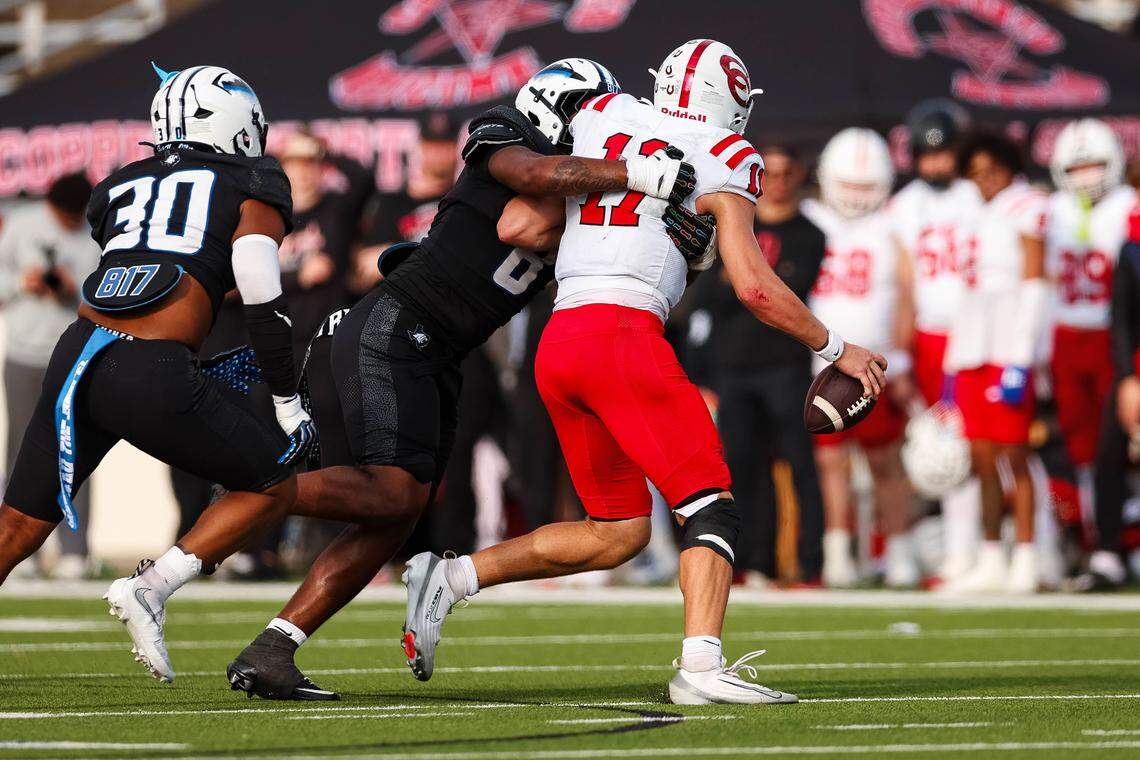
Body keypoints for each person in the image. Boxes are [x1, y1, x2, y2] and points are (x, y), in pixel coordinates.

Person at [404, 40, 887, 706]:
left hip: (559, 338)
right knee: (710, 500)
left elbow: (521, 221)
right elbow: (755, 288)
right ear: (731, 104)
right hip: (621, 337)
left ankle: (452, 579)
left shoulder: (604, 114)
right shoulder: (730, 156)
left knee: (619, 530)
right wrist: (838, 347)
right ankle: (701, 666)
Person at [225, 58, 708, 701]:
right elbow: (525, 214)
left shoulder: (579, 188)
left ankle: (273, 647)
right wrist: (638, 178)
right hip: (396, 329)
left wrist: (675, 241)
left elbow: (579, 235)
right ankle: (257, 491)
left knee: (397, 508)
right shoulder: (506, 136)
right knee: (388, 494)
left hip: (442, 346)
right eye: (595, 119)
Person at [0, 64, 315, 684]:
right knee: (274, 484)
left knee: (17, 523)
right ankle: (153, 586)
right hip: (149, 366)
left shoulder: (119, 185)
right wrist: (287, 399)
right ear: (234, 123)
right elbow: (257, 286)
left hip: (78, 353)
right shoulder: (255, 181)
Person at [683, 144, 826, 584]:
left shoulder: (811, 232)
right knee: (742, 467)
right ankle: (752, 562)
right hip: (734, 367)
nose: (778, 182)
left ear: (799, 176)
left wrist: (745, 281)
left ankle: (811, 564)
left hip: (784, 364)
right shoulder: (733, 222)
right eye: (772, 173)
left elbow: (787, 288)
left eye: (787, 173)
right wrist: (757, 283)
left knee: (801, 467)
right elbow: (711, 293)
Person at [804, 128, 917, 589]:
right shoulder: (810, 219)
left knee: (885, 461)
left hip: (876, 361)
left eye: (864, 187)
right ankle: (838, 551)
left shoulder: (893, 224)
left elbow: (908, 293)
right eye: (847, 185)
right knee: (831, 465)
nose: (854, 197)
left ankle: (902, 550)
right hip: (821, 361)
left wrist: (903, 356)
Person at [942, 133, 1050, 594]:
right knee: (981, 458)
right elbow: (967, 295)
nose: (985, 181)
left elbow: (1034, 285)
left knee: (1015, 455)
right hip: (973, 348)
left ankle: (1027, 554)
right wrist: (952, 365)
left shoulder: (1028, 205)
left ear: (1011, 169)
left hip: (1007, 349)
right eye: (977, 173)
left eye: (993, 172)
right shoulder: (972, 212)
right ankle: (990, 555)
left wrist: (1021, 359)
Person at [887, 102, 984, 583]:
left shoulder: (977, 194)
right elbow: (904, 284)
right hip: (929, 333)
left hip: (976, 329)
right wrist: (901, 351)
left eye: (943, 155)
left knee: (982, 444)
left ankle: (978, 548)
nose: (936, 165)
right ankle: (959, 550)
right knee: (942, 449)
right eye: (928, 157)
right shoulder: (905, 206)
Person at [0, 173, 102, 579]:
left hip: (74, 357)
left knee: (78, 452)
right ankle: (14, 549)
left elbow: (103, 294)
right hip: (24, 354)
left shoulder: (95, 234)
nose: (69, 224)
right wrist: (22, 284)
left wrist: (71, 290)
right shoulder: (23, 224)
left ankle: (74, 549)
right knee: (19, 452)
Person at [1046, 119, 1135, 552]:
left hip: (1112, 338)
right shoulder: (1053, 210)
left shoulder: (1129, 207)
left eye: (1096, 165)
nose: (1087, 176)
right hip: (1067, 335)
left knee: (1113, 445)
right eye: (1078, 167)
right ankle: (1092, 539)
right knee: (1079, 445)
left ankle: (1115, 541)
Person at [1082, 193, 1140, 589]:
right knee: (1109, 450)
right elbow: (1122, 315)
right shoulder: (1132, 244)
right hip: (1137, 366)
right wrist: (1128, 377)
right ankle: (1108, 548)